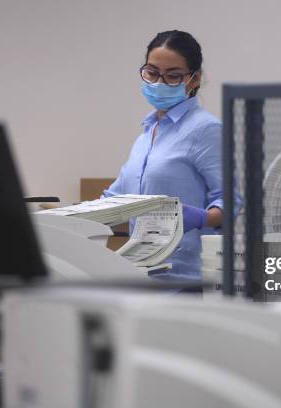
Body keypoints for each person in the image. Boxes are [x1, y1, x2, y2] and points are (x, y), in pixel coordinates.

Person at [104, 30, 241, 280]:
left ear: (194, 79)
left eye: (173, 76)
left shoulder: (206, 129)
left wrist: (202, 217)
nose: (160, 83)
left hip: (187, 280)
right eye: (152, 73)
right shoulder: (147, 134)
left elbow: (231, 201)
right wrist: (60, 218)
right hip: (142, 275)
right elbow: (114, 200)